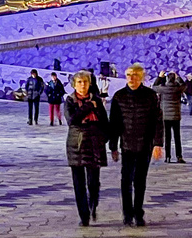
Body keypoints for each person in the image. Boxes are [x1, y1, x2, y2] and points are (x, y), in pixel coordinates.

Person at [107, 65, 161, 226]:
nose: (132, 78)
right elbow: (114, 123)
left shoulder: (151, 96)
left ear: (142, 77)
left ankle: (138, 212)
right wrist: (113, 147)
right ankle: (127, 213)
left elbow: (158, 121)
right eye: (129, 75)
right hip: (127, 145)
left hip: (145, 144)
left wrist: (158, 144)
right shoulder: (119, 96)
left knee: (140, 181)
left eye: (135, 75)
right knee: (126, 180)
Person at [63, 71, 109, 226]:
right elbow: (72, 120)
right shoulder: (70, 100)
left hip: (94, 144)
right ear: (75, 84)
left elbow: (104, 121)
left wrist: (104, 138)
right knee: (78, 182)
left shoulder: (96, 99)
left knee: (93, 182)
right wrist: (89, 107)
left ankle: (92, 205)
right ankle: (83, 215)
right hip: (77, 144)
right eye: (80, 82)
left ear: (90, 84)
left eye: (85, 82)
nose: (83, 85)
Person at [155, 71, 185, 163]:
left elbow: (154, 87)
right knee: (177, 137)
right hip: (176, 116)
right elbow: (184, 85)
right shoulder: (177, 89)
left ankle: (168, 157)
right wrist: (178, 77)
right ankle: (179, 156)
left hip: (165, 116)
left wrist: (159, 77)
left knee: (167, 137)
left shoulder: (163, 88)